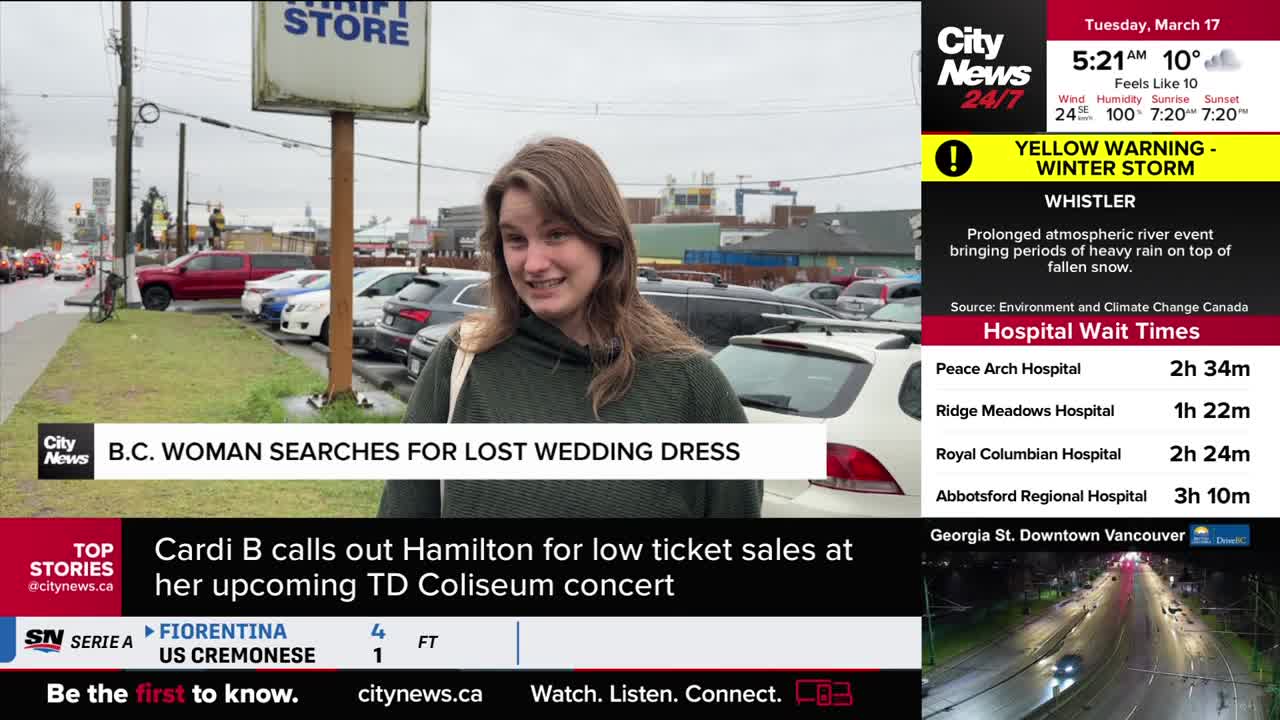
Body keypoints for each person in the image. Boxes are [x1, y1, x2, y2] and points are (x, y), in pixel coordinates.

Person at [378, 137, 760, 519]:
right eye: (515, 240)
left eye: (556, 234)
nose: (533, 263)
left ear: (605, 237)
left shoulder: (692, 389)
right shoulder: (463, 362)